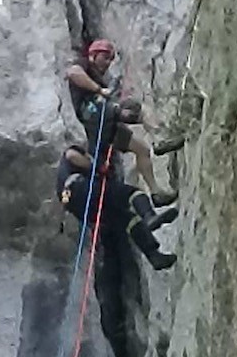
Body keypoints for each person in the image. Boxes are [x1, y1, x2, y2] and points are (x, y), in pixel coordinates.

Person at [66, 39, 177, 206]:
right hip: (95, 113)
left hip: (102, 126)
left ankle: (156, 193)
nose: (108, 63)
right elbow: (73, 73)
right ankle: (160, 140)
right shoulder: (83, 65)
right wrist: (99, 90)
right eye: (105, 57)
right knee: (138, 109)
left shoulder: (98, 77)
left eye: (110, 59)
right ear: (92, 55)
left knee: (142, 150)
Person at [56, 142, 178, 271]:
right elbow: (71, 155)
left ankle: (154, 256)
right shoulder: (72, 152)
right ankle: (149, 216)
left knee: (127, 220)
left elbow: (64, 199)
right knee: (131, 193)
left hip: (79, 208)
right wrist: (97, 167)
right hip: (80, 188)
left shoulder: (62, 181)